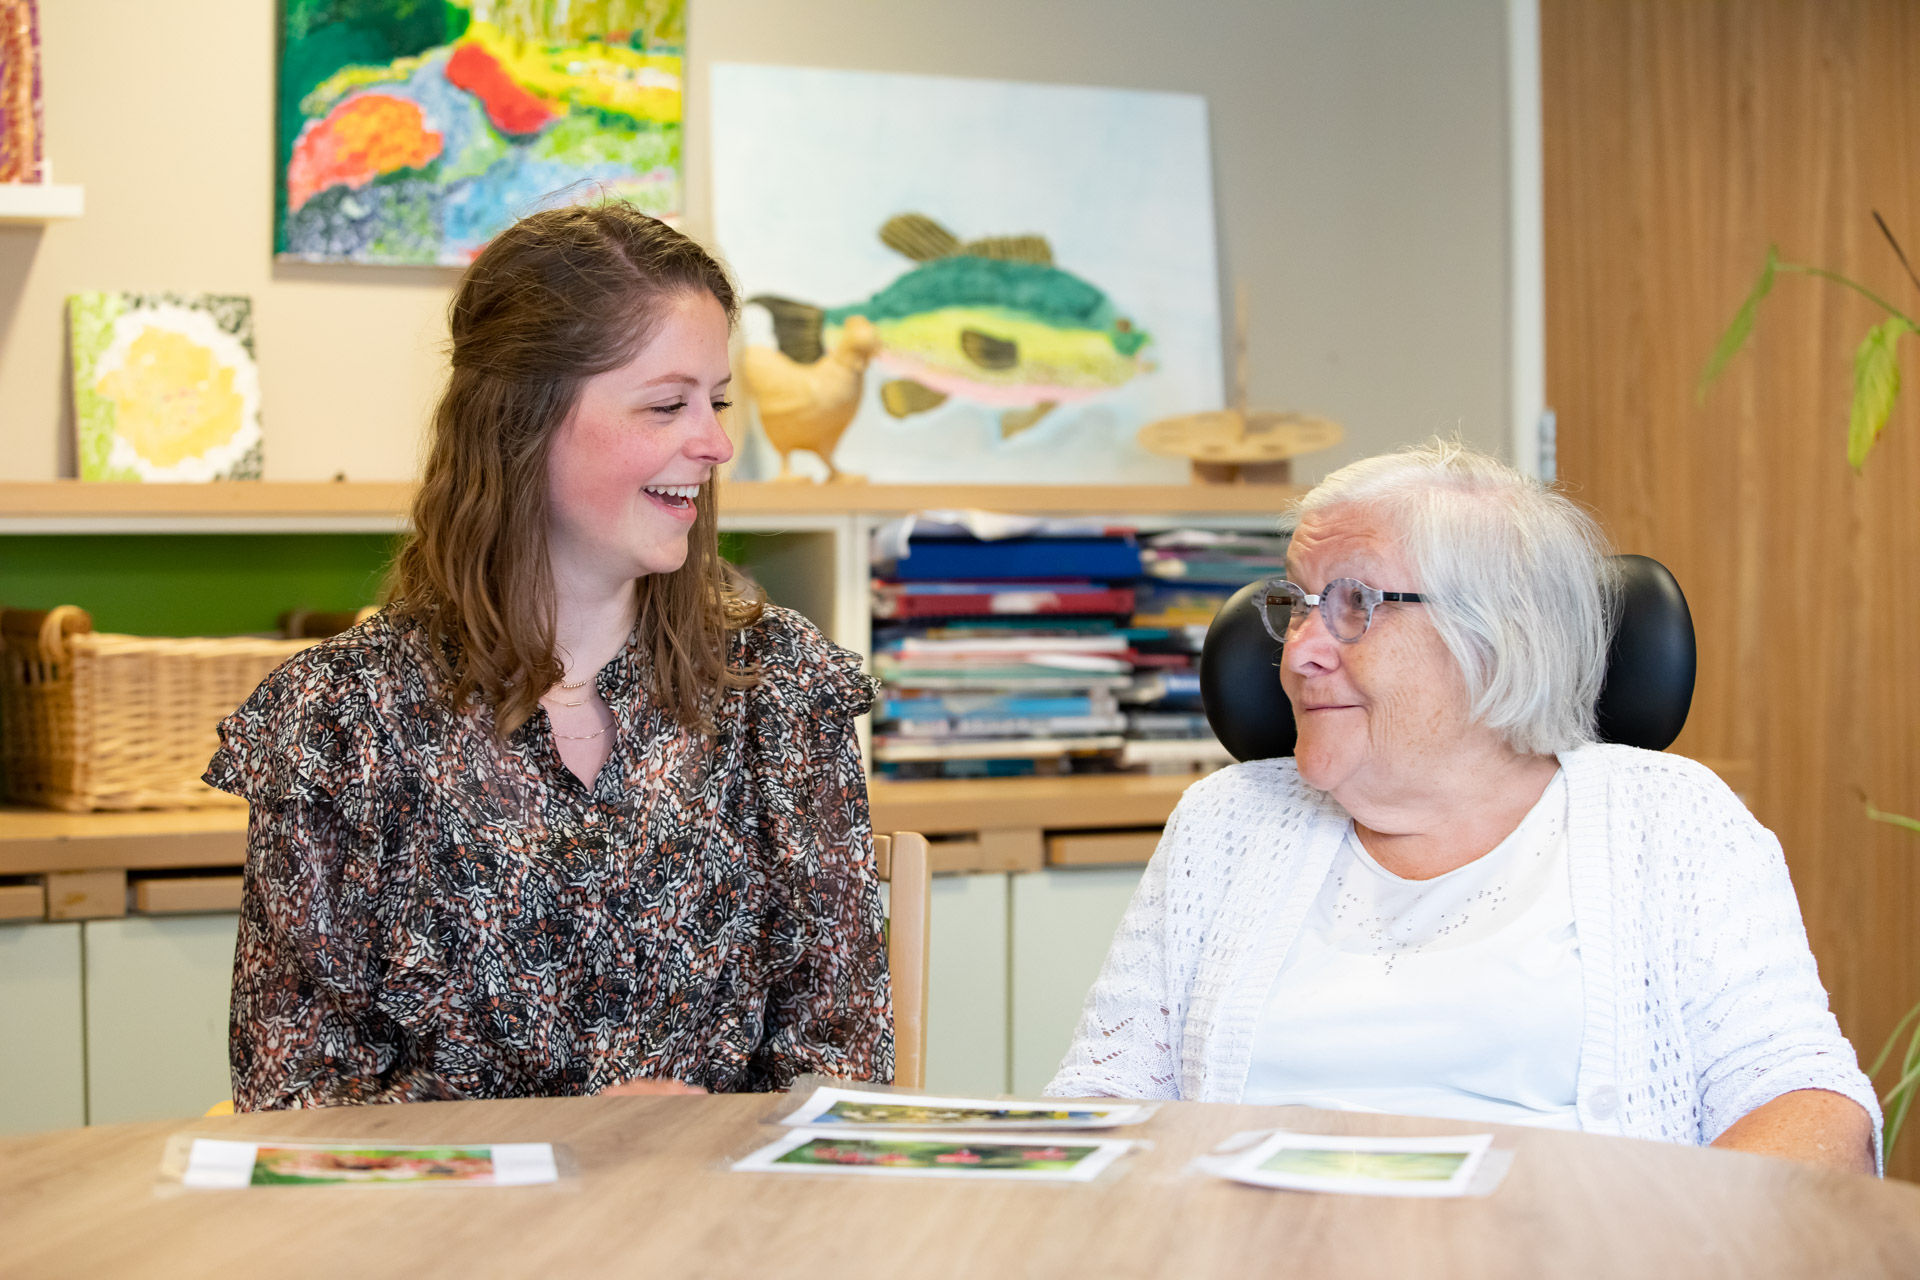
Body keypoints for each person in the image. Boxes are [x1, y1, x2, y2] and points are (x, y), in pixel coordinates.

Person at [206, 203, 891, 1110]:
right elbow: (294, 1098)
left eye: (717, 402)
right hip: (444, 1212)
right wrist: (561, 1149)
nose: (716, 443)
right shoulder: (338, 719)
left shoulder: (782, 688)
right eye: (668, 405)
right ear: (520, 421)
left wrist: (701, 1148)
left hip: (715, 1203)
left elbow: (840, 1075)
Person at [1047, 441, 1880, 1173]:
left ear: (1498, 633)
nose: (1299, 652)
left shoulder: (1671, 819)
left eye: (1354, 604)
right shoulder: (1224, 823)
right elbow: (1102, 1104)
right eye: (1296, 606)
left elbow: (1811, 1109)